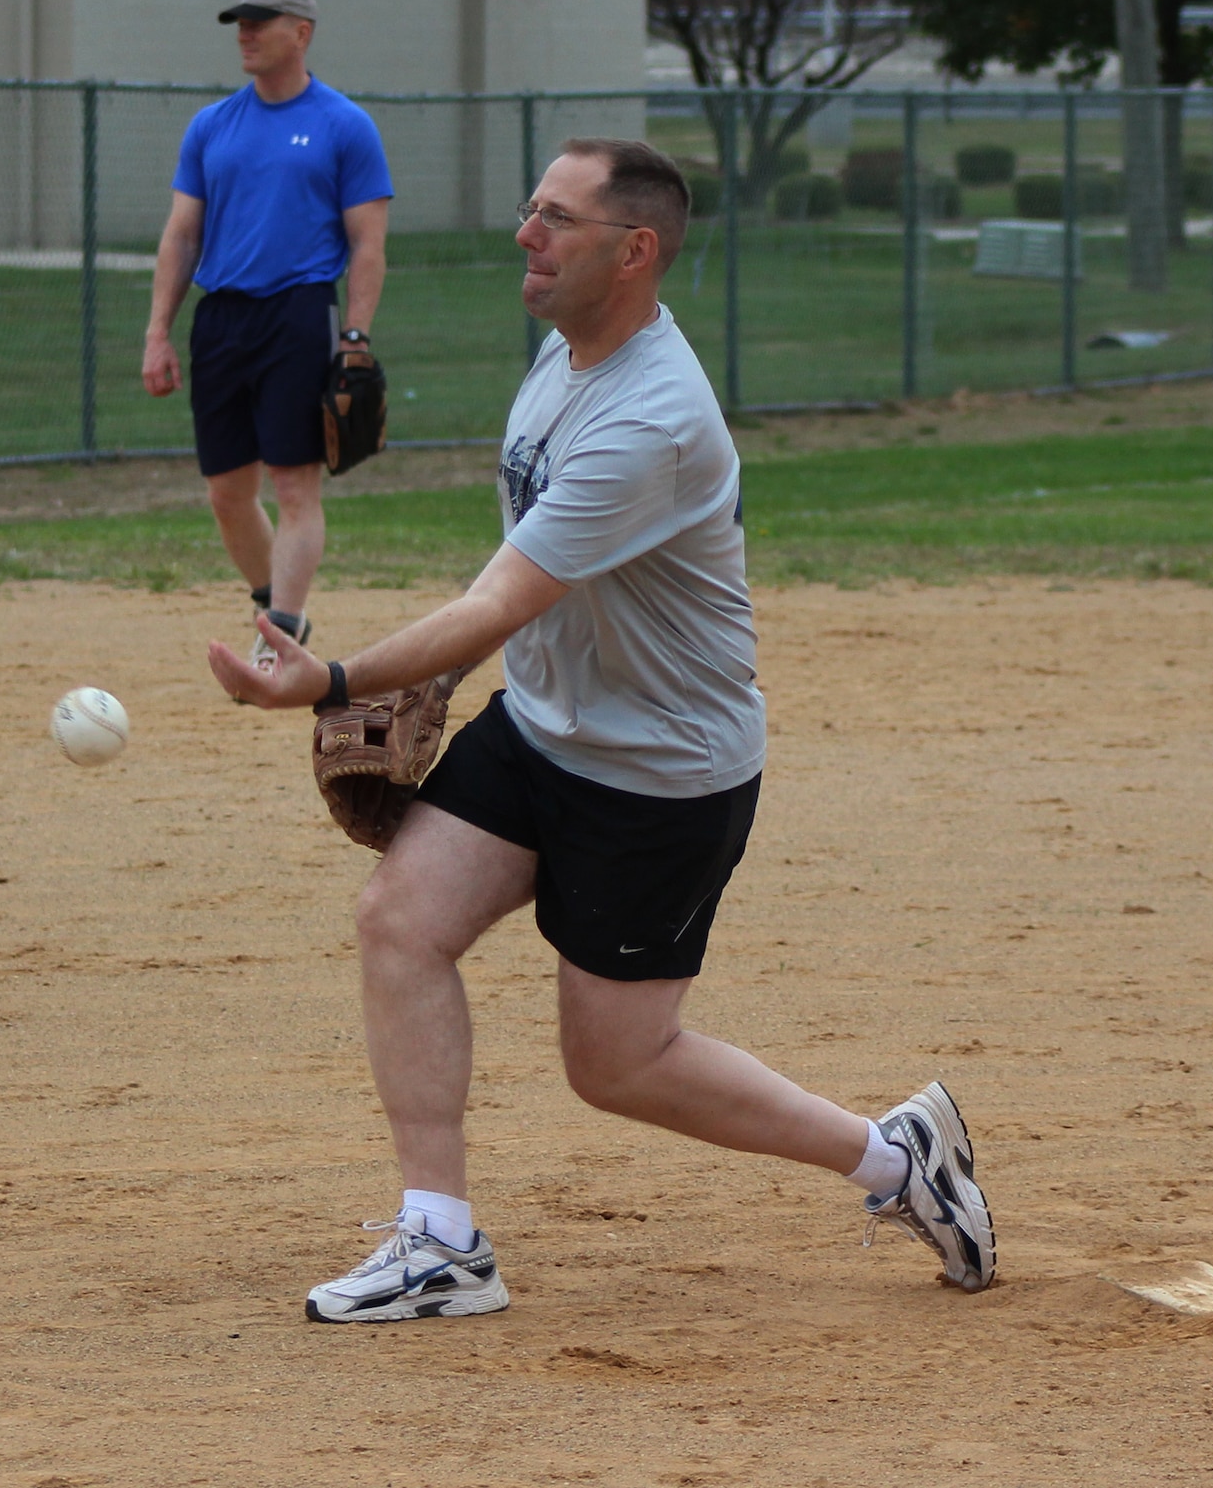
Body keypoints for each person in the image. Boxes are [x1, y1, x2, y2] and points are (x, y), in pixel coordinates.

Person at [207, 138, 997, 1323]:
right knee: (400, 922)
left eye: (555, 218)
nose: (525, 233)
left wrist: (335, 679)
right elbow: (521, 570)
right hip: (541, 725)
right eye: (529, 206)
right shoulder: (564, 354)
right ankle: (440, 1240)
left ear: (633, 250)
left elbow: (498, 599)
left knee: (616, 1063)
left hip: (658, 772)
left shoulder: (653, 418)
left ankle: (893, 1158)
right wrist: (438, 676)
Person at [143, 0, 393, 670]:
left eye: (261, 20)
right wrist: (158, 331)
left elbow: (368, 244)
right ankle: (275, 605)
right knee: (227, 492)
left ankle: (279, 630)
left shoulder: (344, 125)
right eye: (240, 22)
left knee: (292, 485)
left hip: (297, 312)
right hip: (220, 317)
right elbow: (181, 236)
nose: (246, 33)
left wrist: (355, 336)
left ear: (302, 33)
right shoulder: (213, 125)